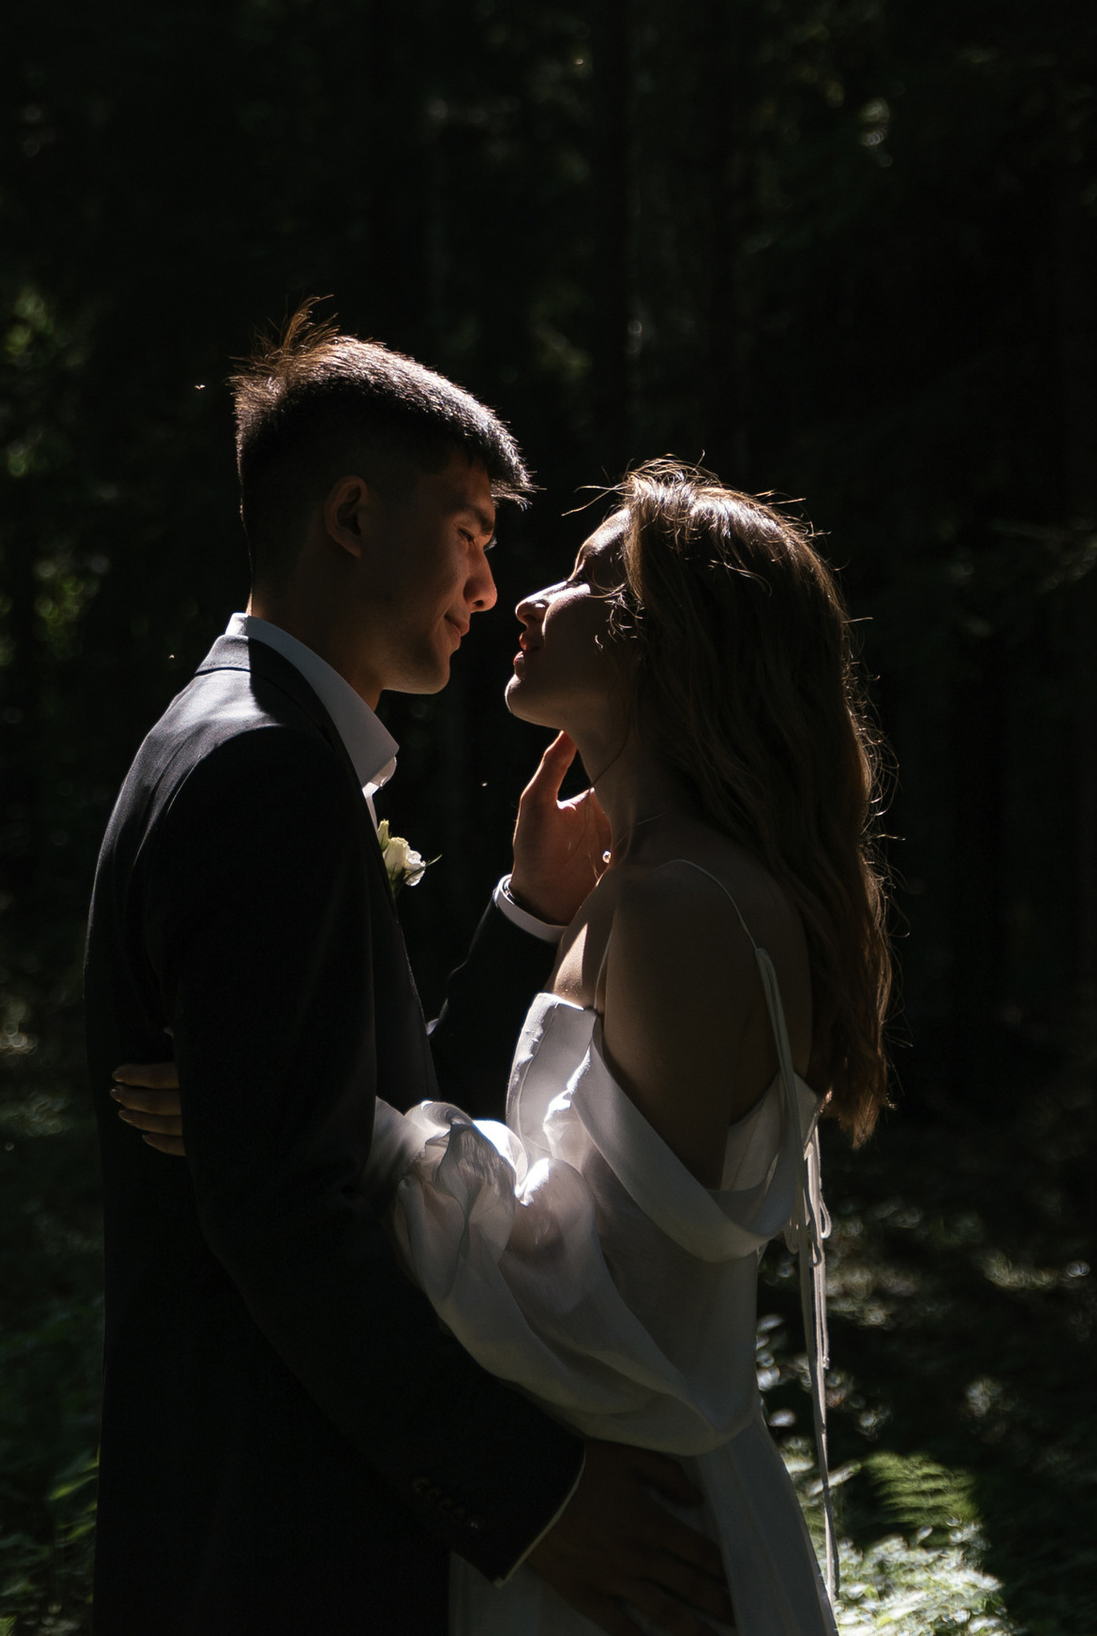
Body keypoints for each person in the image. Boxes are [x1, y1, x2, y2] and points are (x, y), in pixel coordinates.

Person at [85, 316, 734, 1636]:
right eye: (473, 531)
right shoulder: (266, 772)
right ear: (352, 516)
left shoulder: (235, 735)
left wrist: (525, 914)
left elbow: (365, 1112)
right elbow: (289, 1217)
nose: (491, 586)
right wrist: (536, 1496)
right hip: (276, 1533)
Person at [374, 461, 893, 1634]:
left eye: (590, 576)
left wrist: (339, 1135)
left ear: (682, 643)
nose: (530, 600)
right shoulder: (645, 891)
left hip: (631, 1539)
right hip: (639, 1504)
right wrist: (539, 908)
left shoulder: (676, 908)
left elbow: (589, 1302)